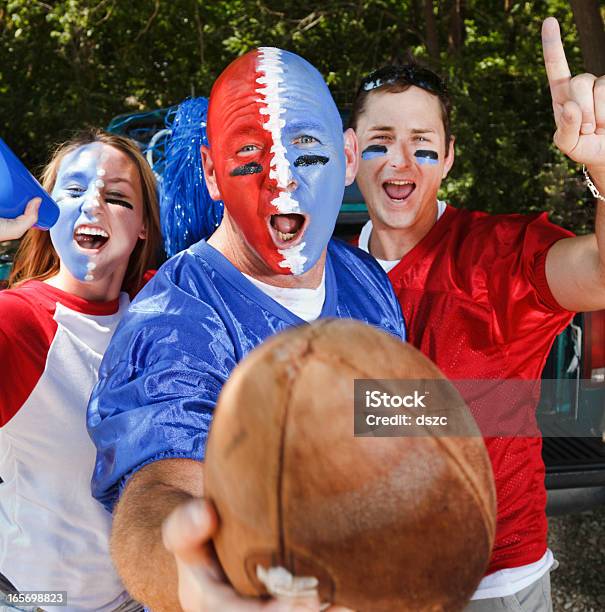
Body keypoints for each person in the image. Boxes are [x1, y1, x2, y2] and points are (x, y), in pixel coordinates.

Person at [87, 48, 405, 612]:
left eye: (307, 154)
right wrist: (195, 574)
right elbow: (163, 485)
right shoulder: (177, 319)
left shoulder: (364, 279)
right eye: (249, 158)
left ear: (350, 156)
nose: (281, 185)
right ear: (211, 173)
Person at [350, 17, 605, 612]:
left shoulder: (500, 253)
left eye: (423, 142)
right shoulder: (318, 275)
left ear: (450, 157)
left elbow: (597, 273)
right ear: (348, 150)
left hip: (494, 580)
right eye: (380, 139)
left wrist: (603, 171)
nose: (401, 162)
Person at [0, 130, 161, 612]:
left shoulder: (167, 311)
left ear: (143, 229)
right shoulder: (15, 321)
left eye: (116, 197)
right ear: (46, 217)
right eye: (72, 192)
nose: (93, 204)